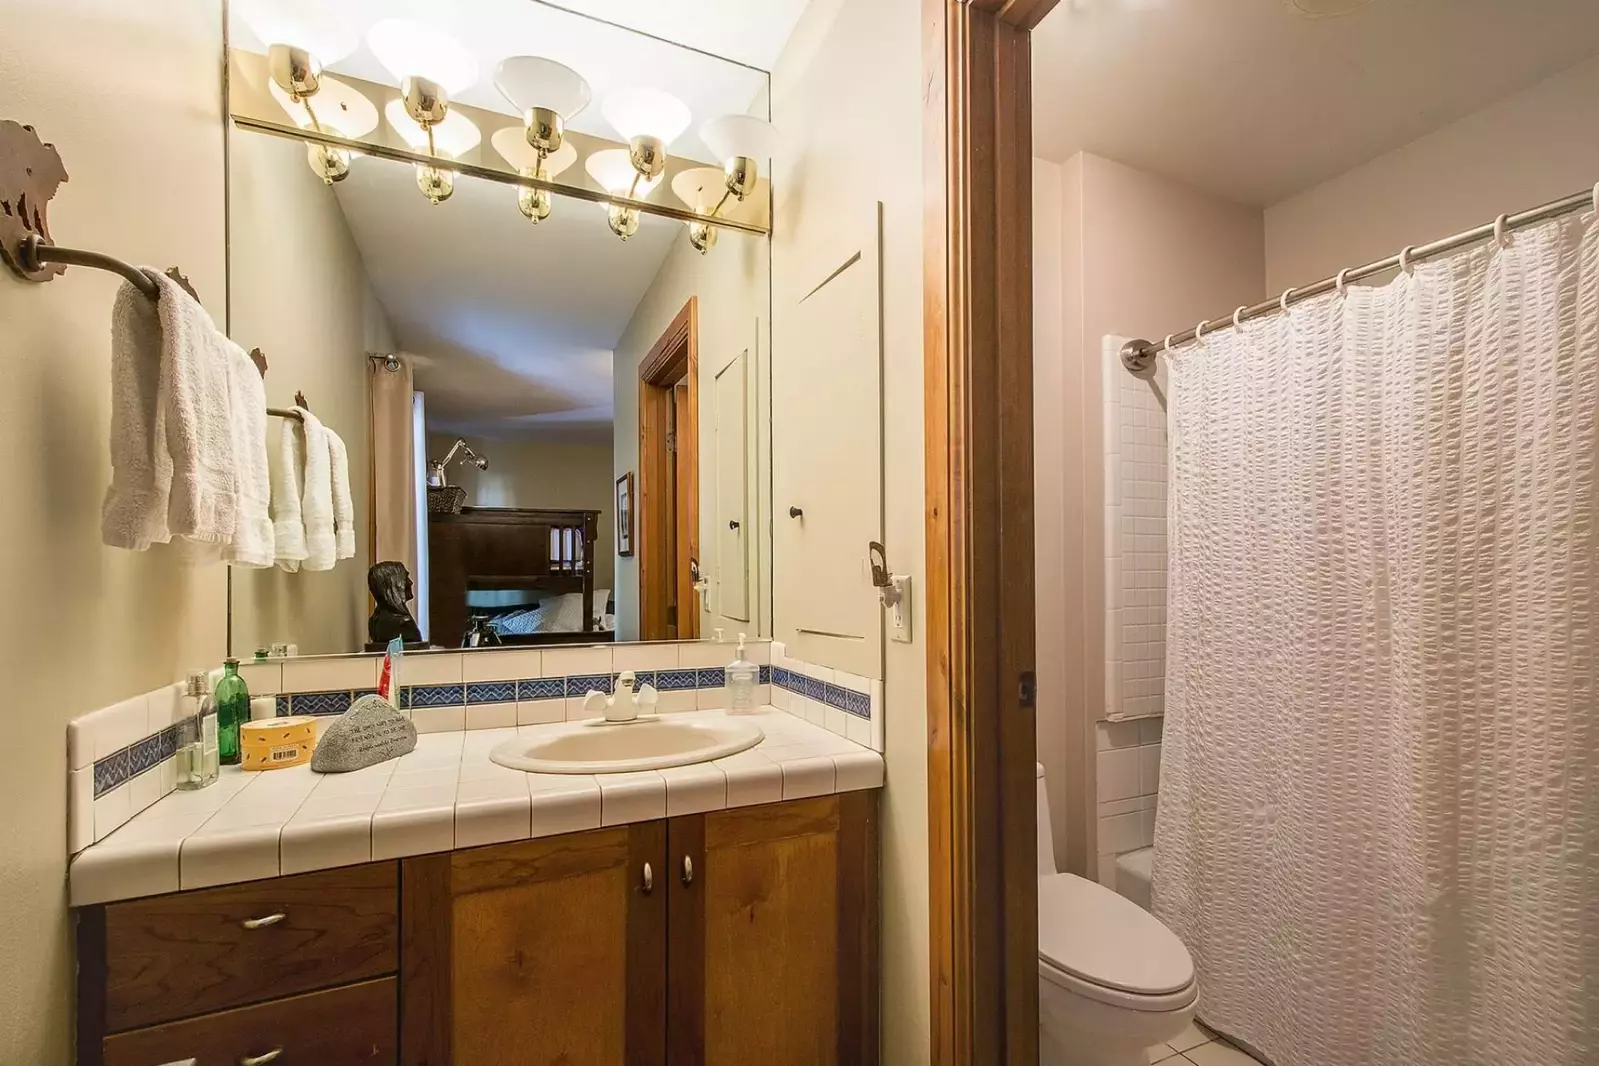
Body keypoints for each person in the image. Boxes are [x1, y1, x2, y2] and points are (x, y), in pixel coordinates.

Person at [368, 561, 423, 645]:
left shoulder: (374, 622)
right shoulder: (404, 623)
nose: (410, 583)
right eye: (405, 578)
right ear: (393, 584)